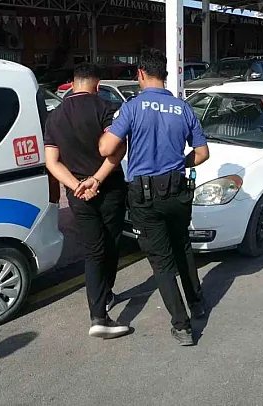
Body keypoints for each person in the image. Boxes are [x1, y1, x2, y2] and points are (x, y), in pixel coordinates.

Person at [97, 48, 210, 346]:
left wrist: (108, 132)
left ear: (141, 74)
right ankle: (197, 303)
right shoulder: (183, 108)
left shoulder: (132, 108)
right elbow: (202, 154)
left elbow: (106, 149)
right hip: (177, 191)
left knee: (161, 262)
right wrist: (180, 164)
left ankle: (182, 326)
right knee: (182, 246)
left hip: (145, 196)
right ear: (165, 75)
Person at [43, 63, 130, 339]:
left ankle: (98, 314)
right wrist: (97, 180)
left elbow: (52, 162)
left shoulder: (55, 116)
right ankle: (105, 300)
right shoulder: (106, 108)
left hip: (78, 195)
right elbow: (116, 149)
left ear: (72, 83)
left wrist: (78, 186)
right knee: (111, 244)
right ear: (97, 84)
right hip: (110, 188)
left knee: (93, 251)